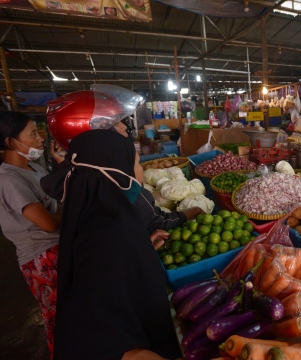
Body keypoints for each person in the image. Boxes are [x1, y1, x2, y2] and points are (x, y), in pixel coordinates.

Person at [54, 130, 181, 360]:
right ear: (117, 174)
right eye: (137, 164)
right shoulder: (104, 236)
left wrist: (139, 252)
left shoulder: (96, 219)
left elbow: (113, 278)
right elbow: (103, 342)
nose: (141, 172)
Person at [41, 88, 205, 235]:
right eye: (114, 123)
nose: (124, 127)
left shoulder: (76, 178)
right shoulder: (116, 185)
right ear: (94, 135)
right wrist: (192, 212)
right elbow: (155, 222)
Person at [0, 111, 62, 359]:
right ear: (11, 142)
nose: (40, 138)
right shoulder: (9, 180)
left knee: (76, 314)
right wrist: (76, 210)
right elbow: (47, 223)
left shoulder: (33, 167)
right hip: (41, 259)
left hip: (57, 248)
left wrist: (60, 162)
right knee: (60, 321)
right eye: (33, 133)